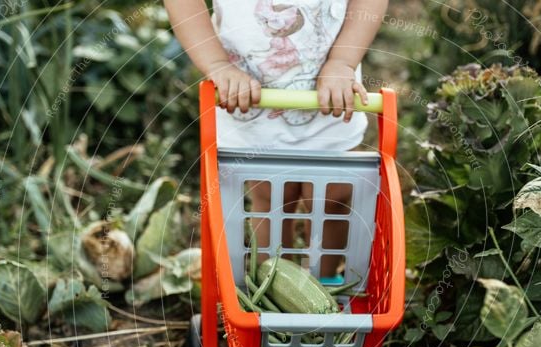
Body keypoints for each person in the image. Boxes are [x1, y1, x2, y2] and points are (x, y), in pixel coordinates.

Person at [164, 0, 387, 279]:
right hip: (251, 96)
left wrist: (342, 61)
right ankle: (278, 287)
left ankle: (325, 283)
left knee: (333, 197)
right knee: (272, 198)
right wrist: (218, 65)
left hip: (330, 92)